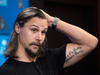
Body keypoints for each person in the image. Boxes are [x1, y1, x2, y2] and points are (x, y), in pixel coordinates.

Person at [0, 7, 98, 75]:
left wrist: (51, 21)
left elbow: (90, 42)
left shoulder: (51, 58)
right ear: (17, 28)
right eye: (34, 30)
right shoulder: (7, 71)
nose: (39, 37)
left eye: (43, 32)